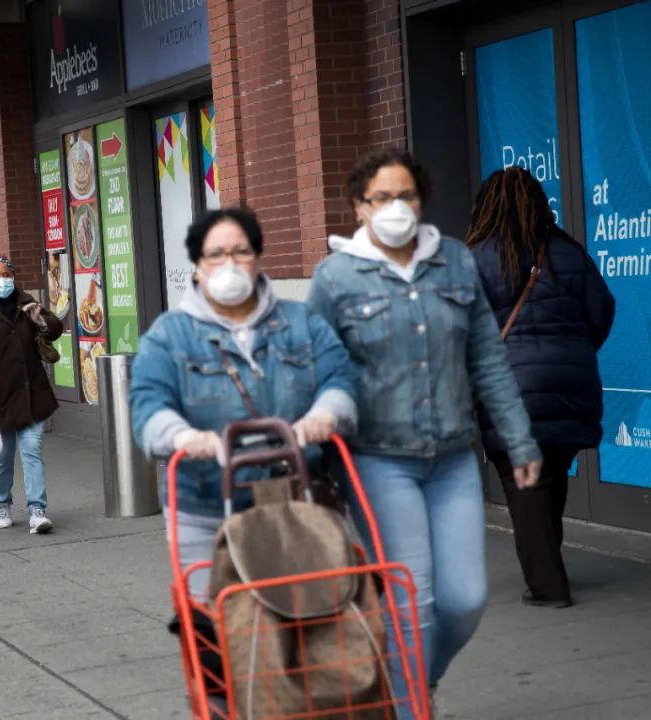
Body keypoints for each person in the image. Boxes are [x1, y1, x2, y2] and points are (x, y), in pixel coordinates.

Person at [307, 149, 542, 715]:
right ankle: (411, 706)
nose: (396, 208)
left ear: (422, 201)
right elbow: (316, 370)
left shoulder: (455, 262)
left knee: (465, 599)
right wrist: (313, 461)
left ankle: (412, 682)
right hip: (377, 459)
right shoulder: (335, 278)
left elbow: (487, 358)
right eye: (382, 198)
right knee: (412, 600)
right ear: (359, 207)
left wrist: (519, 439)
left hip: (453, 457)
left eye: (406, 195)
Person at [130, 207, 359, 601]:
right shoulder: (168, 335)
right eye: (216, 254)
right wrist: (182, 436)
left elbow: (340, 377)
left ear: (257, 258)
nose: (229, 264)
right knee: (221, 619)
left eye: (241, 252)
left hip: (300, 498)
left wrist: (326, 413)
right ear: (197, 267)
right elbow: (147, 403)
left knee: (314, 617)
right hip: (205, 507)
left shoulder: (302, 322)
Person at [466, 167, 615, 609]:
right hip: (569, 379)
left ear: (487, 206)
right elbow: (602, 310)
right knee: (549, 472)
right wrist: (572, 351)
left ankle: (549, 586)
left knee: (524, 483)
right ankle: (549, 566)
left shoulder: (475, 258)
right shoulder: (567, 251)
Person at [0, 256, 64, 534]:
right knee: (2, 457)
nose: (2, 280)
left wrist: (40, 320)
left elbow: (56, 329)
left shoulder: (28, 305)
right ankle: (2, 503)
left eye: (6, 274)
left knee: (32, 452)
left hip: (32, 395)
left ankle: (37, 511)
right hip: (0, 399)